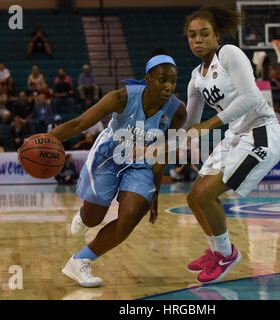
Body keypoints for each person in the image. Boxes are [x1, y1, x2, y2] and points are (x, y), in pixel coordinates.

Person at [39, 49, 186, 287]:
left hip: (141, 163)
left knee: (130, 217)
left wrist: (155, 196)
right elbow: (79, 123)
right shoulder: (122, 97)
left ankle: (79, 262)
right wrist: (44, 138)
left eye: (173, 81)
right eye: (163, 80)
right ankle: (84, 216)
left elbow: (162, 153)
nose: (169, 86)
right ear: (148, 78)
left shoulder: (177, 112)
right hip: (109, 155)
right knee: (93, 219)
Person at [183, 5, 280, 284]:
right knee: (194, 198)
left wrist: (208, 124)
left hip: (261, 132)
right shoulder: (195, 77)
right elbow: (189, 123)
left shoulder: (228, 54)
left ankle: (227, 255)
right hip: (236, 135)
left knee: (206, 195)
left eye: (204, 34)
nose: (198, 40)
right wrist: (156, 135)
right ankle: (218, 251)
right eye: (192, 35)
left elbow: (252, 98)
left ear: (217, 36)